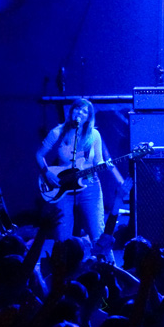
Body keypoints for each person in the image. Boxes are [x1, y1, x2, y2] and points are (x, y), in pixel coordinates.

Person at [36, 98, 124, 243]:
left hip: (90, 183)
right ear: (71, 110)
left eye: (85, 112)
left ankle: (105, 263)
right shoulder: (57, 132)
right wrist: (47, 172)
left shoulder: (94, 135)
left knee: (98, 234)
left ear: (89, 117)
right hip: (63, 187)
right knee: (62, 238)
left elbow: (98, 161)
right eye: (78, 109)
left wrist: (107, 165)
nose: (80, 113)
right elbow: (39, 155)